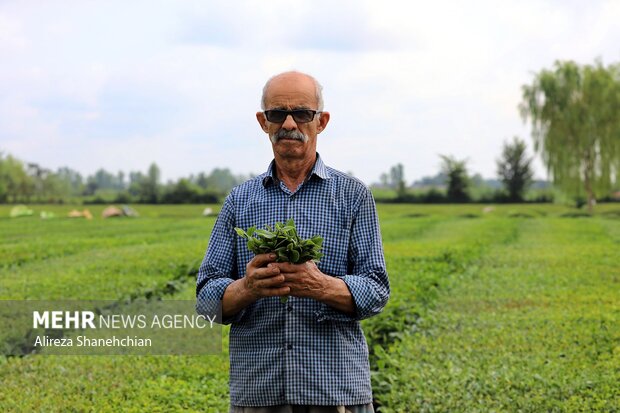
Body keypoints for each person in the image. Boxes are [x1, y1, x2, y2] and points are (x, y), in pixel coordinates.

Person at [196, 71, 389, 413]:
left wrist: (321, 286)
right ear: (262, 122)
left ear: (321, 121)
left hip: (335, 393)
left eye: (302, 113)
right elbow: (207, 300)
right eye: (276, 114)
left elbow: (376, 290)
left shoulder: (353, 196)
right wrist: (248, 287)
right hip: (259, 393)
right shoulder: (239, 201)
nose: (288, 123)